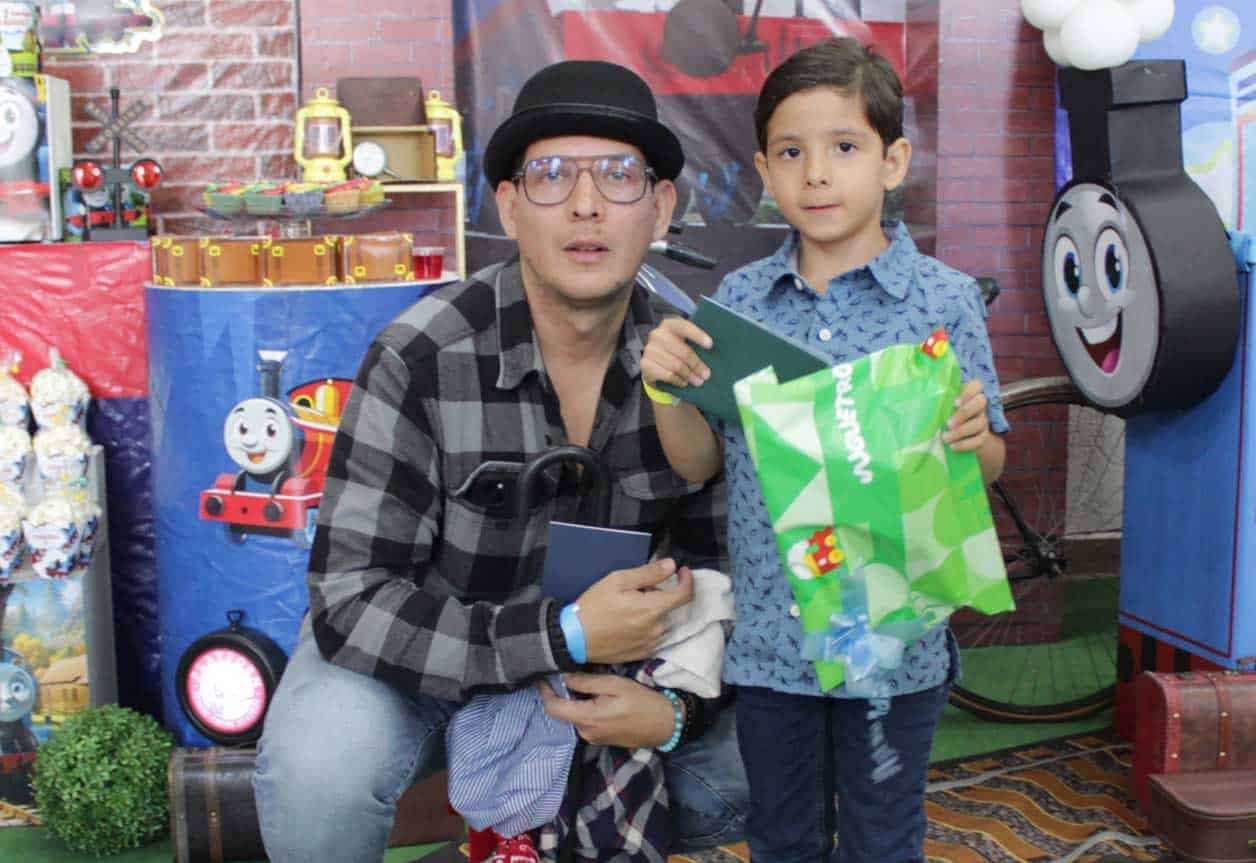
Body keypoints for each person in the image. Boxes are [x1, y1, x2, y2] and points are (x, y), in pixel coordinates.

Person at [252, 59, 748, 863]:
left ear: (661, 206)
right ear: (510, 207)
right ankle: (488, 813)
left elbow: (724, 570)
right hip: (428, 653)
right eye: (551, 176)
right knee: (319, 767)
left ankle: (541, 830)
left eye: (619, 175)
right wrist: (562, 633)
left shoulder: (689, 359)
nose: (586, 205)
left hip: (616, 670)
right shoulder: (421, 353)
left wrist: (676, 710)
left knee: (781, 751)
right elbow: (351, 596)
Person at [640, 37, 1008, 863]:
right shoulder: (739, 303)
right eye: (791, 153)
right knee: (781, 837)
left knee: (884, 837)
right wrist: (666, 388)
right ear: (764, 173)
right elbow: (699, 463)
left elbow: (988, 467)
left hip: (895, 645)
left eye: (844, 147)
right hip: (774, 646)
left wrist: (974, 438)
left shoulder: (944, 301)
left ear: (892, 161)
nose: (816, 174)